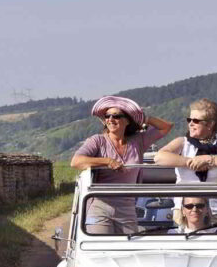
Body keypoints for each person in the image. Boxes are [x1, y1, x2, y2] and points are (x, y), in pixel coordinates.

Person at [72, 96, 173, 234]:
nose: (110, 119)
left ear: (127, 121)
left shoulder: (138, 141)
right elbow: (76, 161)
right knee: (99, 249)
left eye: (116, 116)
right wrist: (107, 161)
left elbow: (166, 127)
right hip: (100, 206)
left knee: (127, 251)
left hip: (128, 208)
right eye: (107, 116)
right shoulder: (97, 141)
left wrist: (144, 118)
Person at [153, 99, 217, 219]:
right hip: (186, 210)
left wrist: (209, 159)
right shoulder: (183, 142)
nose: (190, 124)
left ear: (210, 124)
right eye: (189, 120)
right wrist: (190, 162)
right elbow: (159, 157)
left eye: (196, 121)